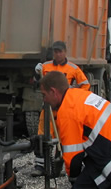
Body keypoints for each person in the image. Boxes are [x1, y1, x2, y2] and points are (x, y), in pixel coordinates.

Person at [32, 41, 89, 175]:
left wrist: (72, 94)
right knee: (42, 136)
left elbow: (85, 85)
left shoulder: (72, 68)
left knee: (63, 137)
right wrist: (36, 74)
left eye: (60, 52)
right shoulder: (45, 67)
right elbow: (36, 84)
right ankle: (40, 166)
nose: (57, 54)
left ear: (65, 52)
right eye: (55, 52)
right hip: (47, 110)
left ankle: (58, 165)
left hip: (64, 110)